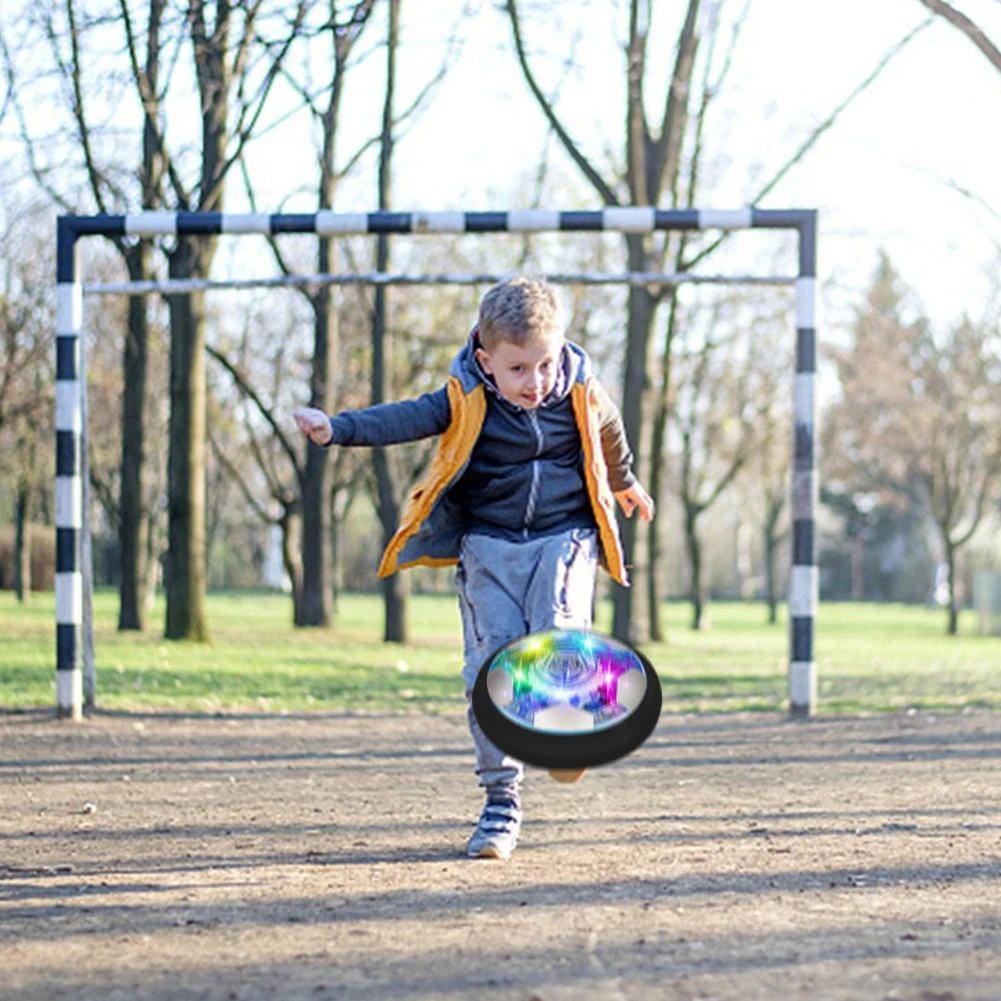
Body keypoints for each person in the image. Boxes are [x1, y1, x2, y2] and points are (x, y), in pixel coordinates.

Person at [294, 276, 654, 860]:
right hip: (488, 546)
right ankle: (501, 802)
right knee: (488, 672)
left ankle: (569, 728)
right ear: (487, 362)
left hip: (564, 536)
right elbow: (407, 418)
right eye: (518, 369)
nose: (536, 382)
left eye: (545, 364)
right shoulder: (465, 395)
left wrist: (625, 480)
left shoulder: (583, 390)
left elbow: (609, 432)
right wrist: (339, 428)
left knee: (558, 630)